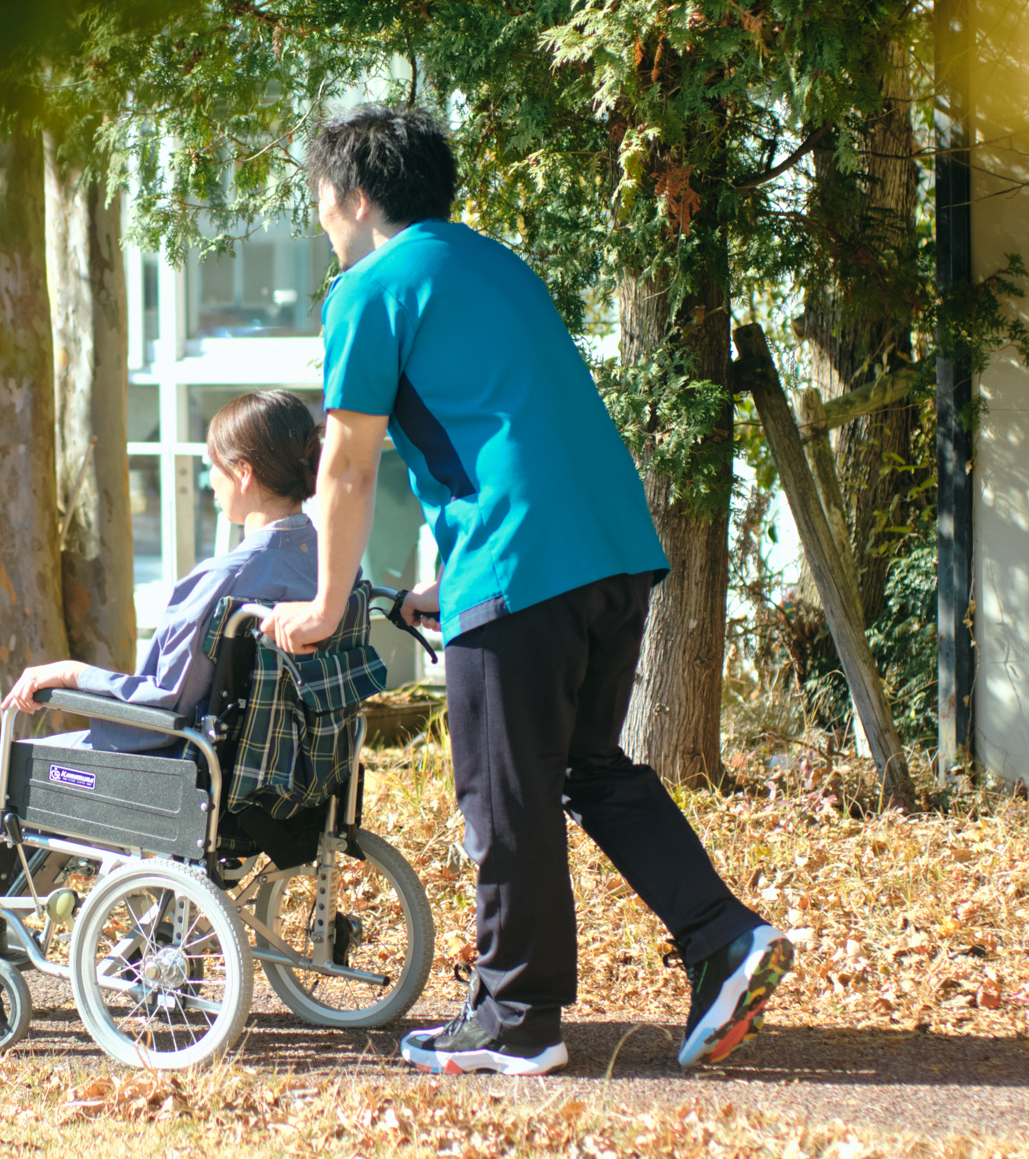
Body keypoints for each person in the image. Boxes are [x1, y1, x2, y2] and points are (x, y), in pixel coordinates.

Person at [261, 103, 786, 1075]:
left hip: (522, 562)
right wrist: (446, 585)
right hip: (611, 551)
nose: (321, 222)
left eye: (319, 201)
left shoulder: (370, 286)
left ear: (355, 195)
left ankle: (516, 1017)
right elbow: (509, 424)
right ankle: (721, 937)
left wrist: (328, 604)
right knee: (588, 765)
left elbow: (346, 466)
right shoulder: (495, 266)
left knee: (506, 791)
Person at [0, 390, 324, 991]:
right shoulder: (327, 566)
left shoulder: (225, 578)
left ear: (244, 472)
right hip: (283, 768)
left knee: (4, 772)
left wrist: (71, 673)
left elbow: (158, 702)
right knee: (19, 771)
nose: (207, 481)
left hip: (177, 767)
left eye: (212, 466)